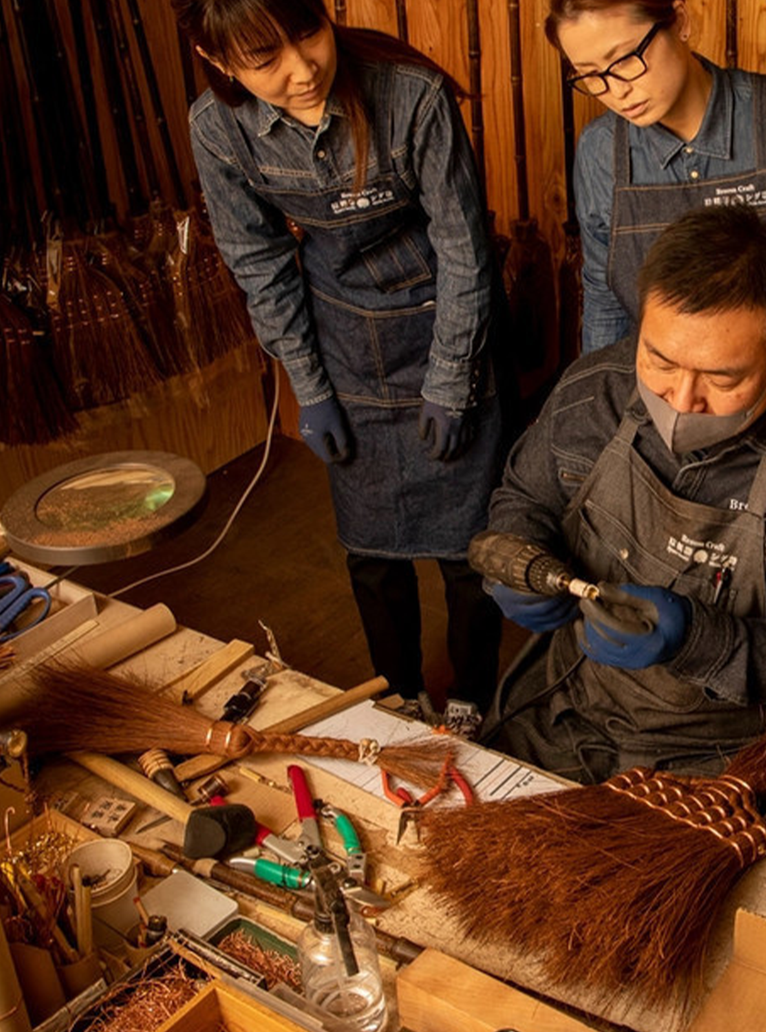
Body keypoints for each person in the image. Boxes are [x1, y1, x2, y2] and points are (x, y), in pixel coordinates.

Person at [481, 206, 766, 781]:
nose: (681, 400)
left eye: (723, 379)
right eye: (658, 362)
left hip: (734, 759)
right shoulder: (593, 391)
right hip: (571, 712)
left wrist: (704, 641)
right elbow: (523, 497)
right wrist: (519, 561)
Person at [174, 0, 511, 721]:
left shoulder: (408, 94)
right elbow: (259, 261)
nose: (303, 71)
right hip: (344, 343)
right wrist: (309, 384)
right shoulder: (218, 129)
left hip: (445, 323)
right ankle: (398, 693)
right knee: (372, 549)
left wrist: (452, 382)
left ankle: (474, 695)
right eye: (265, 61)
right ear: (217, 61)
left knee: (468, 549)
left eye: (308, 35)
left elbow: (463, 252)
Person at [547, 0, 766, 385]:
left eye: (624, 59)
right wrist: (598, 398)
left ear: (681, 21)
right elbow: (605, 303)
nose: (617, 91)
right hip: (660, 396)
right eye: (590, 75)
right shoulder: (599, 152)